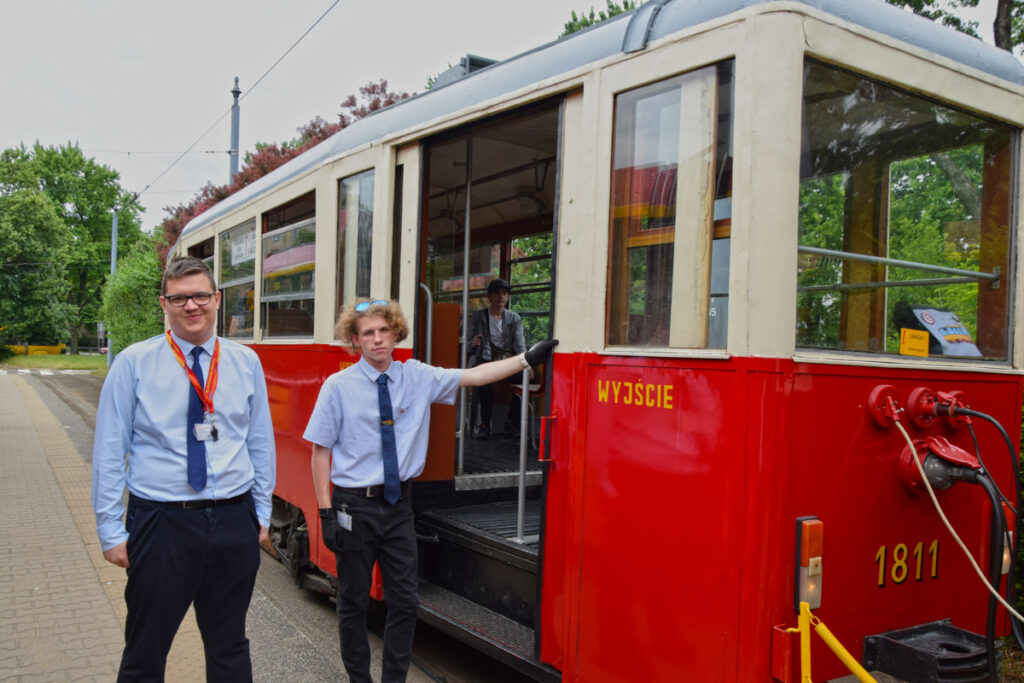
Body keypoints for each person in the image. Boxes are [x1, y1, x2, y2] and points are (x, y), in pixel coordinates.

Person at [304, 297, 556, 683]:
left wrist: (526, 359)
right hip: (353, 506)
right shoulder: (338, 387)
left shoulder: (417, 376)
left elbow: (472, 376)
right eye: (367, 333)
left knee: (405, 602)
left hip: (398, 504)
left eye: (383, 331)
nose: (377, 340)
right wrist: (325, 512)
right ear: (355, 340)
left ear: (396, 333)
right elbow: (320, 453)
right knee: (353, 603)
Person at [91, 256, 276, 682]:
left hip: (233, 518)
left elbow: (260, 442)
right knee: (145, 650)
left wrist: (260, 514)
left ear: (217, 299)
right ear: (164, 304)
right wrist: (110, 530)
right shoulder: (134, 363)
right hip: (161, 522)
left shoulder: (245, 362)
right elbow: (109, 450)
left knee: (230, 646)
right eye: (179, 298)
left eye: (199, 296)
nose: (191, 306)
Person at [468, 278, 529, 437]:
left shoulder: (513, 318)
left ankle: (512, 421)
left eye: (505, 293)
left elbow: (519, 343)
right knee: (484, 380)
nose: (501, 297)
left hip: (505, 363)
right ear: (489, 297)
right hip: (485, 361)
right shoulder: (478, 316)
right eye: (497, 293)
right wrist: (472, 343)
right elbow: (465, 342)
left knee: (524, 377)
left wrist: (526, 364)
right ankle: (485, 424)